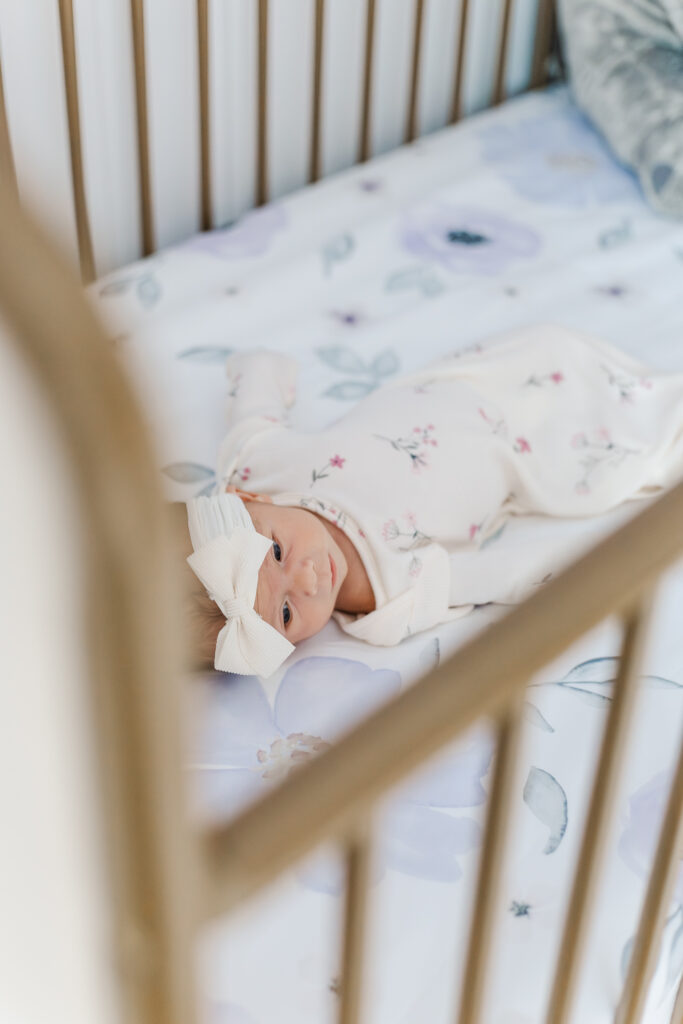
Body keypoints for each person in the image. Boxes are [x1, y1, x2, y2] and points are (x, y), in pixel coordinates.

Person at [175, 322, 683, 677]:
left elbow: (254, 405)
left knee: (550, 344)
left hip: (458, 383)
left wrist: (260, 366)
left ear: (242, 497)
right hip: (520, 452)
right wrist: (593, 565)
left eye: (279, 553)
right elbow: (501, 575)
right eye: (285, 614)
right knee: (636, 449)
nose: (308, 581)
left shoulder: (258, 465)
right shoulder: (390, 600)